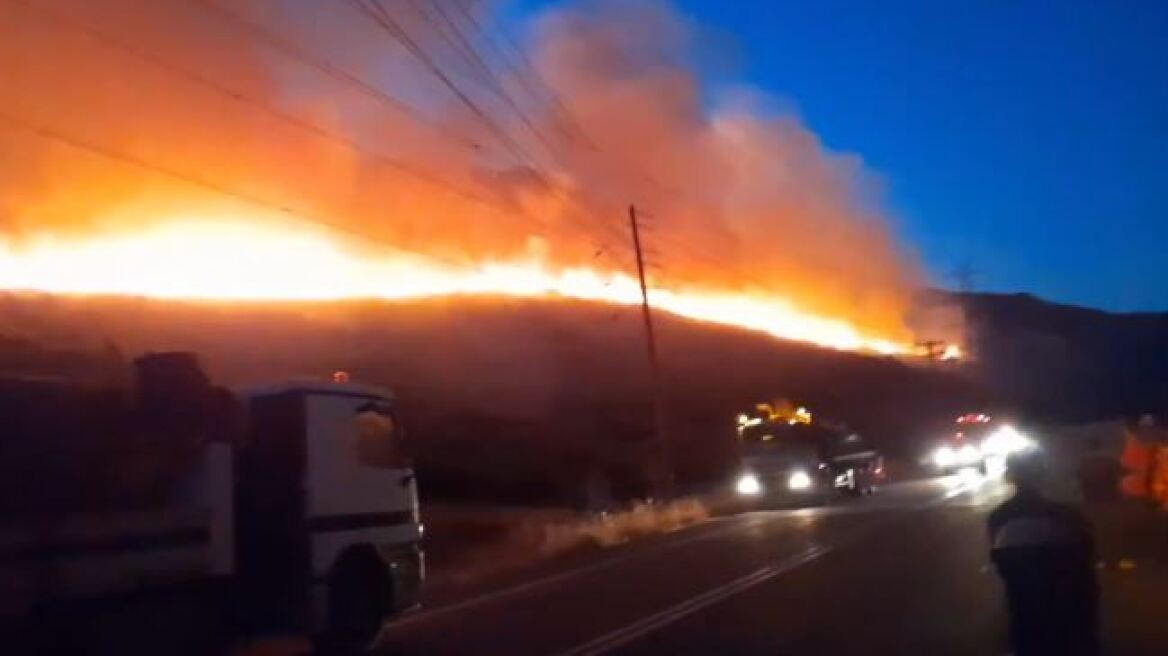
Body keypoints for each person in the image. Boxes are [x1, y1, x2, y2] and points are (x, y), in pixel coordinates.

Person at [988, 452, 1100, 656]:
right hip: (1064, 591)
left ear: (1010, 477)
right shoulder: (1065, 513)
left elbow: (1000, 560)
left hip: (1024, 592)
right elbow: (1086, 552)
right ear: (1043, 475)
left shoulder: (999, 515)